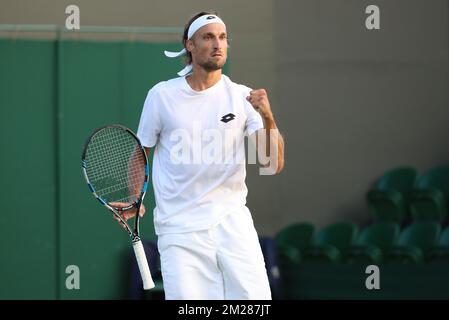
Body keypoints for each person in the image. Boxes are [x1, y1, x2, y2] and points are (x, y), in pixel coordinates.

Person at [121, 11, 284, 300]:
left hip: (233, 225)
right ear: (190, 45)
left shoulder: (243, 97)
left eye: (222, 37)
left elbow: (273, 164)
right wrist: (135, 197)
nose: (217, 44)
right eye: (208, 37)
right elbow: (141, 152)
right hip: (180, 231)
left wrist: (268, 117)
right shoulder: (161, 96)